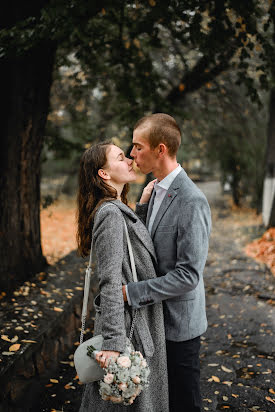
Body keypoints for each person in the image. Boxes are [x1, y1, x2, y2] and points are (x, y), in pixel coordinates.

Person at [122, 113, 212, 412]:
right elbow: (151, 244)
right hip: (156, 322)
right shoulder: (154, 189)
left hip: (179, 326)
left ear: (160, 149)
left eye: (138, 147)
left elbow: (188, 275)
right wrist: (143, 208)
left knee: (184, 403)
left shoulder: (192, 200)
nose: (132, 153)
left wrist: (132, 293)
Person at [76, 141, 169, 412]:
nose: (129, 160)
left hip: (135, 323)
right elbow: (110, 281)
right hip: (129, 327)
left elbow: (131, 247)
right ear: (104, 174)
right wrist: (115, 344)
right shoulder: (109, 214)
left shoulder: (116, 209)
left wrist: (140, 208)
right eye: (120, 158)